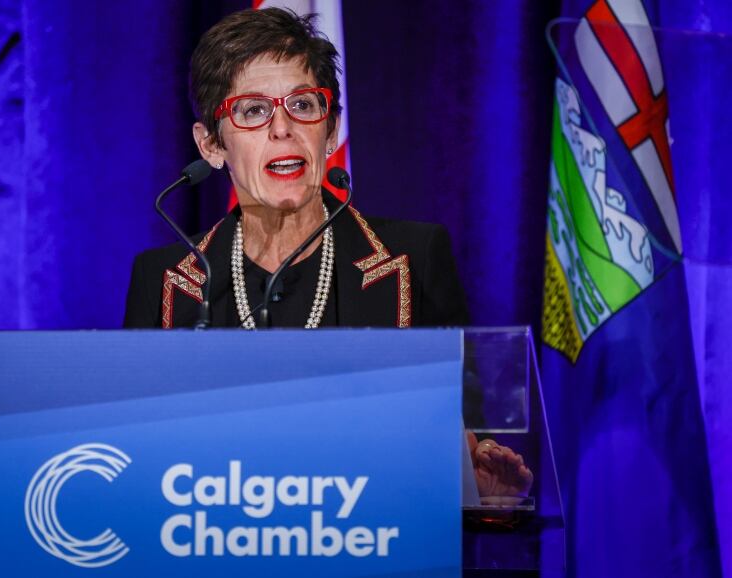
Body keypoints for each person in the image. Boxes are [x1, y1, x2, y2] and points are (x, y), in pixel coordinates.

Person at [124, 7, 531, 497]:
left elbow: (467, 439)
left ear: (331, 127)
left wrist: (480, 487)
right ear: (211, 144)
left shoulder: (413, 259)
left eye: (303, 105)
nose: (282, 129)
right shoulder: (166, 279)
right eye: (252, 110)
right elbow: (139, 462)